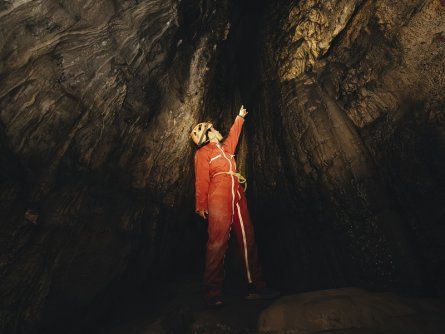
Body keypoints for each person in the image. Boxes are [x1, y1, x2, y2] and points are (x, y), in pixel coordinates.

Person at [191, 105, 279, 308]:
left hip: (237, 192)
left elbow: (233, 136)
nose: (216, 129)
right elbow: (201, 179)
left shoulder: (225, 149)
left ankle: (256, 286)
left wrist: (239, 118)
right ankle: (212, 293)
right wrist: (201, 204)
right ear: (207, 135)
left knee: (248, 239)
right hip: (219, 193)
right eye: (212, 128)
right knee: (217, 242)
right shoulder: (204, 153)